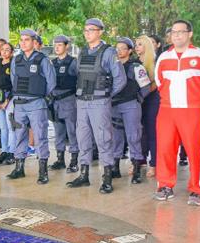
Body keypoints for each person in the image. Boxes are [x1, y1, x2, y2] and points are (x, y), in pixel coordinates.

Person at [153, 19, 200, 205]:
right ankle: (165, 185)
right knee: (165, 149)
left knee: (195, 151)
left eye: (181, 32)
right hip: (167, 110)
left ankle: (196, 189)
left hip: (192, 111)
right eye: (173, 32)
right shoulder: (164, 57)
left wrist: (198, 99)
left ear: (190, 34)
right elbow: (159, 82)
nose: (176, 35)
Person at [66, 18, 127, 193]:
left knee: (103, 138)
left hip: (99, 101)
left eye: (91, 30)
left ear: (100, 32)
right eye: (85, 30)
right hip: (82, 101)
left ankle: (107, 178)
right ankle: (84, 175)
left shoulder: (108, 52)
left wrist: (106, 95)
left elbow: (120, 80)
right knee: (82, 137)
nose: (87, 33)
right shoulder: (83, 52)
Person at [6, 29, 57, 184]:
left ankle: (43, 171)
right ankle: (19, 168)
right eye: (21, 40)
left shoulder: (42, 59)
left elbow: (51, 82)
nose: (23, 43)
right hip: (20, 104)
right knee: (19, 135)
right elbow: (13, 78)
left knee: (40, 136)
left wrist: (39, 95)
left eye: (26, 40)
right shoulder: (16, 59)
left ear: (34, 42)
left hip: (36, 104)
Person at [112, 37, 151, 184]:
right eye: (117, 48)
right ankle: (115, 167)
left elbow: (146, 87)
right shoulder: (112, 66)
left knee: (134, 137)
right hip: (114, 106)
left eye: (123, 48)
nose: (119, 51)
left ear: (129, 51)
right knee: (116, 138)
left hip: (130, 105)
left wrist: (137, 100)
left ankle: (136, 169)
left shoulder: (136, 66)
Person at [49, 35, 79, 173]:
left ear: (67, 46)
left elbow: (80, 81)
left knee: (72, 131)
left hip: (69, 101)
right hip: (56, 102)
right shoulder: (52, 63)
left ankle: (74, 160)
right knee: (58, 131)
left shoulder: (73, 62)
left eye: (60, 45)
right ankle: (60, 159)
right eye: (55, 44)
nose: (57, 47)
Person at [135, 35, 160, 178]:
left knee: (152, 133)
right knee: (140, 133)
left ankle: (155, 164)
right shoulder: (135, 63)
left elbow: (154, 85)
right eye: (136, 44)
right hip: (138, 101)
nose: (136, 47)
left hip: (152, 101)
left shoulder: (155, 63)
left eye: (139, 44)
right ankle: (140, 159)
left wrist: (141, 94)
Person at [0, 42, 15, 166]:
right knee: (3, 128)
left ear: (11, 53)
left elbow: (14, 84)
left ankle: (12, 153)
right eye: (3, 49)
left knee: (11, 127)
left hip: (10, 99)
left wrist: (7, 100)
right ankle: (4, 151)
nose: (4, 51)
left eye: (7, 50)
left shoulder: (13, 65)